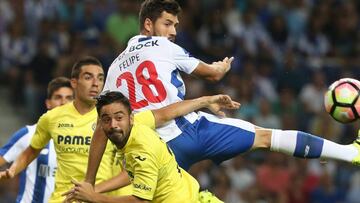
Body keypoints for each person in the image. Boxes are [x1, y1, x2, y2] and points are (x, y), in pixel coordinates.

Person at [85, 0, 360, 186]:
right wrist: (221, 66)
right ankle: (351, 154)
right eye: (168, 24)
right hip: (189, 130)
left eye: (176, 26)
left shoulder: (114, 69)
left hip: (157, 155)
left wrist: (89, 182)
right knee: (267, 137)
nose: (173, 32)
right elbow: (212, 75)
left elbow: (101, 129)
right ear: (148, 25)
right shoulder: (162, 46)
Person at [65, 91, 240, 203]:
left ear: (130, 118)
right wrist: (206, 100)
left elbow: (140, 202)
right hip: (198, 197)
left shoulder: (140, 152)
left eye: (119, 117)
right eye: (106, 120)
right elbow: (167, 113)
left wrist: (94, 197)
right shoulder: (137, 124)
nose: (113, 125)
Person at [0, 56, 119, 203]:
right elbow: (32, 149)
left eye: (100, 78)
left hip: (97, 199)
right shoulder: (52, 118)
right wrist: (13, 170)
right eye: (88, 77)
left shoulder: (112, 118)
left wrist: (94, 190)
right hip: (61, 199)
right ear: (74, 83)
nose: (96, 84)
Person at [0, 77, 74, 203]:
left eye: (69, 98)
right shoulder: (28, 134)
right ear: (48, 103)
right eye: (58, 97)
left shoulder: (85, 137)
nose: (63, 103)